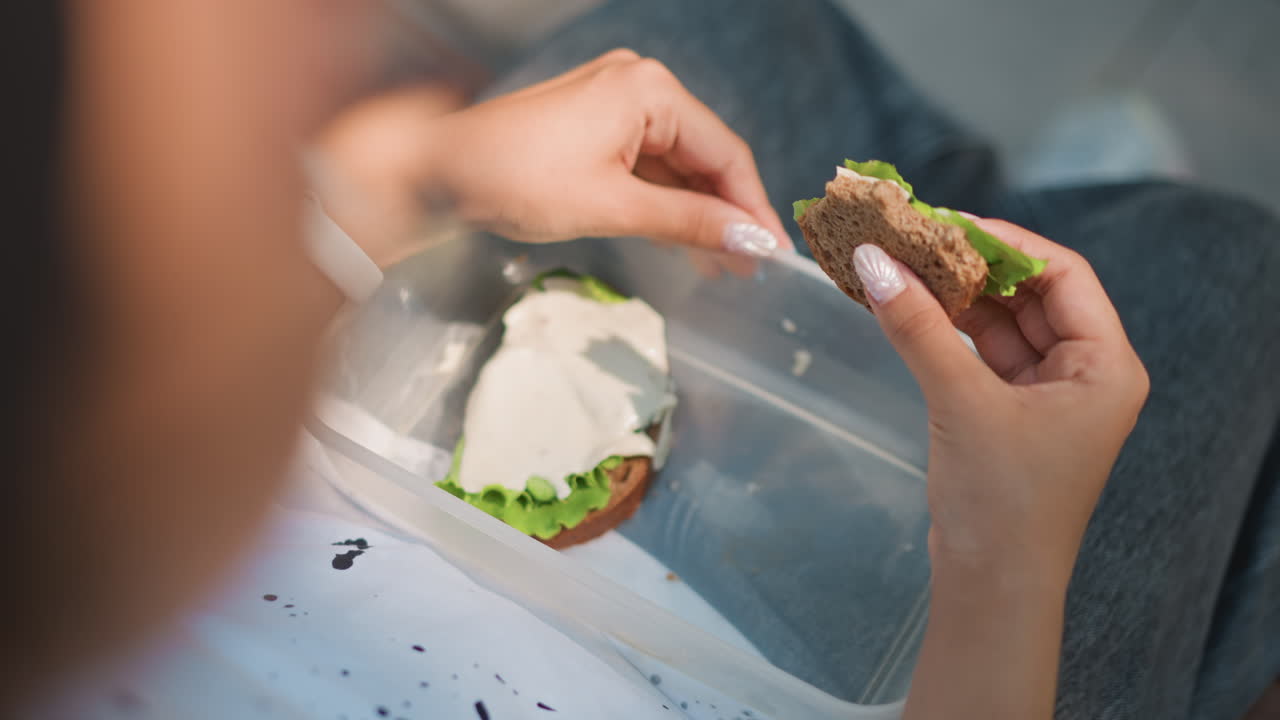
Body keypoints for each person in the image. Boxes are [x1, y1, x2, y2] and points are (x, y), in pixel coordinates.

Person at [5, 0, 1277, 718]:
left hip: (443, 464)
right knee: (1222, 279)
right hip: (861, 655)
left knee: (740, 27)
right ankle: (1101, 198)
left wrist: (415, 176)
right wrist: (1008, 562)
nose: (335, 34)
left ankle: (1029, 188)